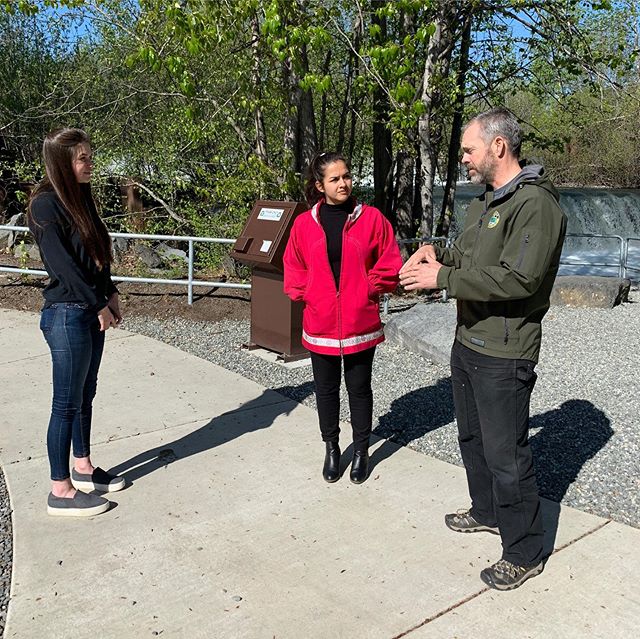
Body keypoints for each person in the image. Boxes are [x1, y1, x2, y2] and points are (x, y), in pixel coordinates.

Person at [400, 107, 567, 590]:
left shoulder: (535, 205)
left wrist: (442, 278)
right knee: (472, 438)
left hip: (505, 349)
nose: (464, 159)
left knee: (506, 453)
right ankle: (487, 511)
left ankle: (525, 549)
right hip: (467, 341)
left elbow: (520, 278)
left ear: (498, 146)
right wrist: (438, 253)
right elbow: (470, 257)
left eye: (469, 150)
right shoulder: (488, 201)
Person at [283, 152, 402, 484]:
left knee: (359, 388)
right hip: (320, 322)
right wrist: (312, 293)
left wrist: (368, 287)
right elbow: (293, 268)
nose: (344, 183)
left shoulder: (372, 219)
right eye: (334, 179)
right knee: (325, 389)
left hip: (359, 321)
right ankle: (332, 448)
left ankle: (362, 449)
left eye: (347, 176)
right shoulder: (304, 224)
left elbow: (390, 261)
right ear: (320, 185)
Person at [28, 127, 126, 517]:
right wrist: (96, 303)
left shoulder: (79, 199)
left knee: (86, 395)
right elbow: (64, 267)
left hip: (88, 310)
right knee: (65, 404)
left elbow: (94, 254)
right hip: (67, 314)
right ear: (62, 163)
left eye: (90, 155)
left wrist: (111, 291)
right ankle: (60, 489)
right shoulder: (45, 205)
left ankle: (82, 467)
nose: (90, 164)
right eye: (83, 158)